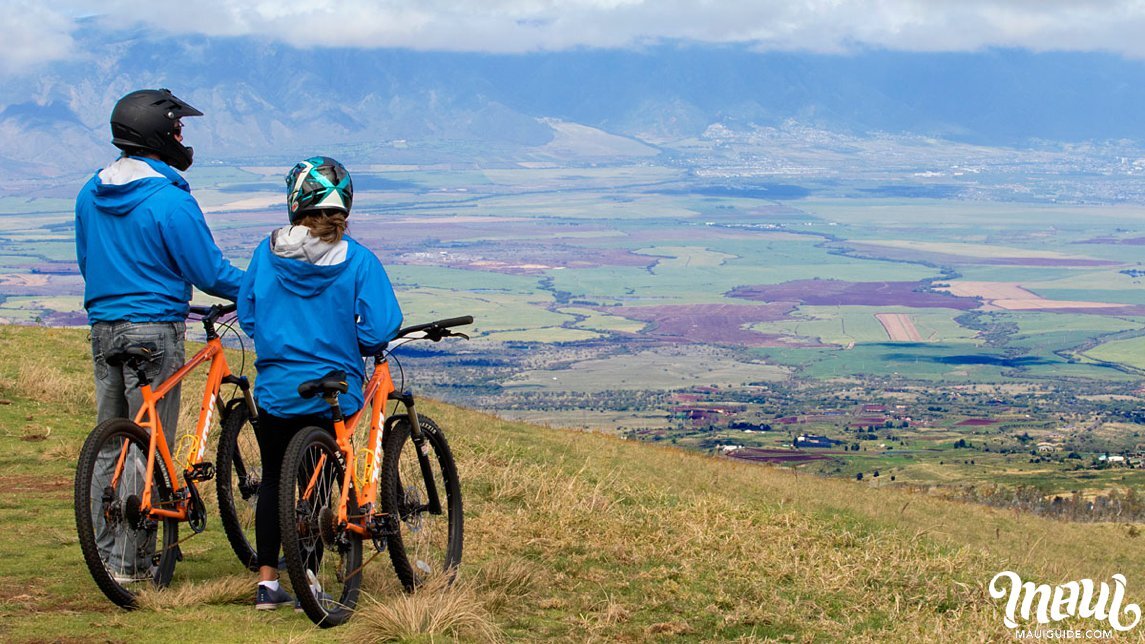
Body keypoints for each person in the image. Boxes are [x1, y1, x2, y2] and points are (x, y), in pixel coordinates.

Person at [75, 88, 244, 582]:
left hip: (104, 327)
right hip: (154, 328)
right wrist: (260, 286)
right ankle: (133, 564)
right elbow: (208, 270)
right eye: (178, 128)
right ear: (158, 135)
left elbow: (88, 261)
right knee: (150, 445)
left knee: (111, 442)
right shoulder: (169, 201)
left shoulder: (90, 192)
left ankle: (108, 555)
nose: (182, 137)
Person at [237, 156, 402, 610]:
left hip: (276, 388)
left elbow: (248, 313)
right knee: (321, 484)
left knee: (273, 480)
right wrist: (351, 340)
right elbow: (381, 328)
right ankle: (311, 577)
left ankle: (268, 584)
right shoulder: (359, 260)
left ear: (295, 202)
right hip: (336, 390)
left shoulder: (265, 252)